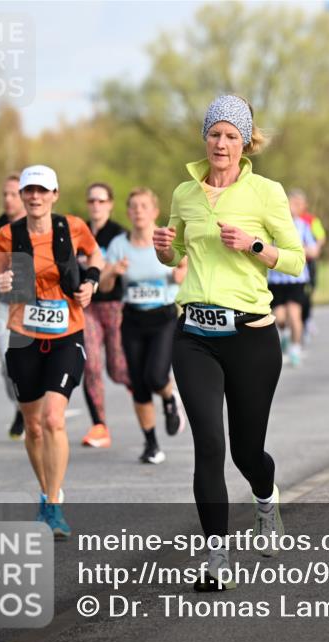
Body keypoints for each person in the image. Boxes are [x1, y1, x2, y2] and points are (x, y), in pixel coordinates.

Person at [153, 94, 303, 591]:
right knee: (209, 445)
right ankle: (216, 557)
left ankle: (266, 497)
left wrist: (254, 246)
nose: (221, 143)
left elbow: (296, 259)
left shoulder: (266, 192)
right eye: (215, 133)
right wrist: (164, 249)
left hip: (251, 337)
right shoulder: (184, 193)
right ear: (205, 138)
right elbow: (176, 252)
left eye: (231, 136)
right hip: (194, 334)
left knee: (246, 451)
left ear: (245, 143)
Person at [0, 165, 103, 540]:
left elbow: (94, 256)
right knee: (34, 426)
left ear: (54, 195)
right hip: (23, 336)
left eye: (42, 190)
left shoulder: (73, 227)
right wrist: (0, 283)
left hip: (67, 332)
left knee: (54, 418)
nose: (35, 197)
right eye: (29, 191)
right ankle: (46, 490)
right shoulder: (8, 235)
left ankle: (53, 504)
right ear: (22, 196)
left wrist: (91, 282)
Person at [99, 188, 188, 464]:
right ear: (128, 212)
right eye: (134, 206)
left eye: (144, 206)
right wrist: (113, 272)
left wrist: (178, 275)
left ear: (155, 212)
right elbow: (104, 286)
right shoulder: (118, 245)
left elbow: (186, 266)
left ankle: (169, 397)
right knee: (138, 384)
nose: (138, 211)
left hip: (163, 317)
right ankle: (151, 444)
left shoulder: (166, 238)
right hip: (132, 319)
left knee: (156, 377)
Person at [80, 182, 131, 449]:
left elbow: (121, 274)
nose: (96, 206)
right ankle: (99, 425)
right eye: (92, 201)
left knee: (117, 369)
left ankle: (148, 389)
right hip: (86, 307)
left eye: (101, 201)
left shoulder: (119, 235)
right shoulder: (79, 232)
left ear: (110, 204)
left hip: (114, 306)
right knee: (90, 364)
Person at [0, 173, 27, 440]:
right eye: (5, 194)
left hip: (34, 306)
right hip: (4, 304)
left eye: (13, 194)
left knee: (31, 362)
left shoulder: (38, 223)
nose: (8, 199)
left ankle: (33, 407)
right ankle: (22, 407)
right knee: (6, 364)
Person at [268, 203, 319, 368]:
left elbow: (314, 251)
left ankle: (295, 348)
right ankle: (285, 334)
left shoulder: (302, 226)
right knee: (280, 318)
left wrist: (297, 249)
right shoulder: (270, 224)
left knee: (294, 315)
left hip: (296, 280)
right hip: (276, 280)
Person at [288, 190, 325, 342]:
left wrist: (313, 249)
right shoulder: (284, 218)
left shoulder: (311, 220)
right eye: (293, 202)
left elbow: (321, 238)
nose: (296, 206)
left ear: (305, 205)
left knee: (307, 295)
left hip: (307, 264)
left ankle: (307, 318)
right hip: (288, 267)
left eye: (299, 203)